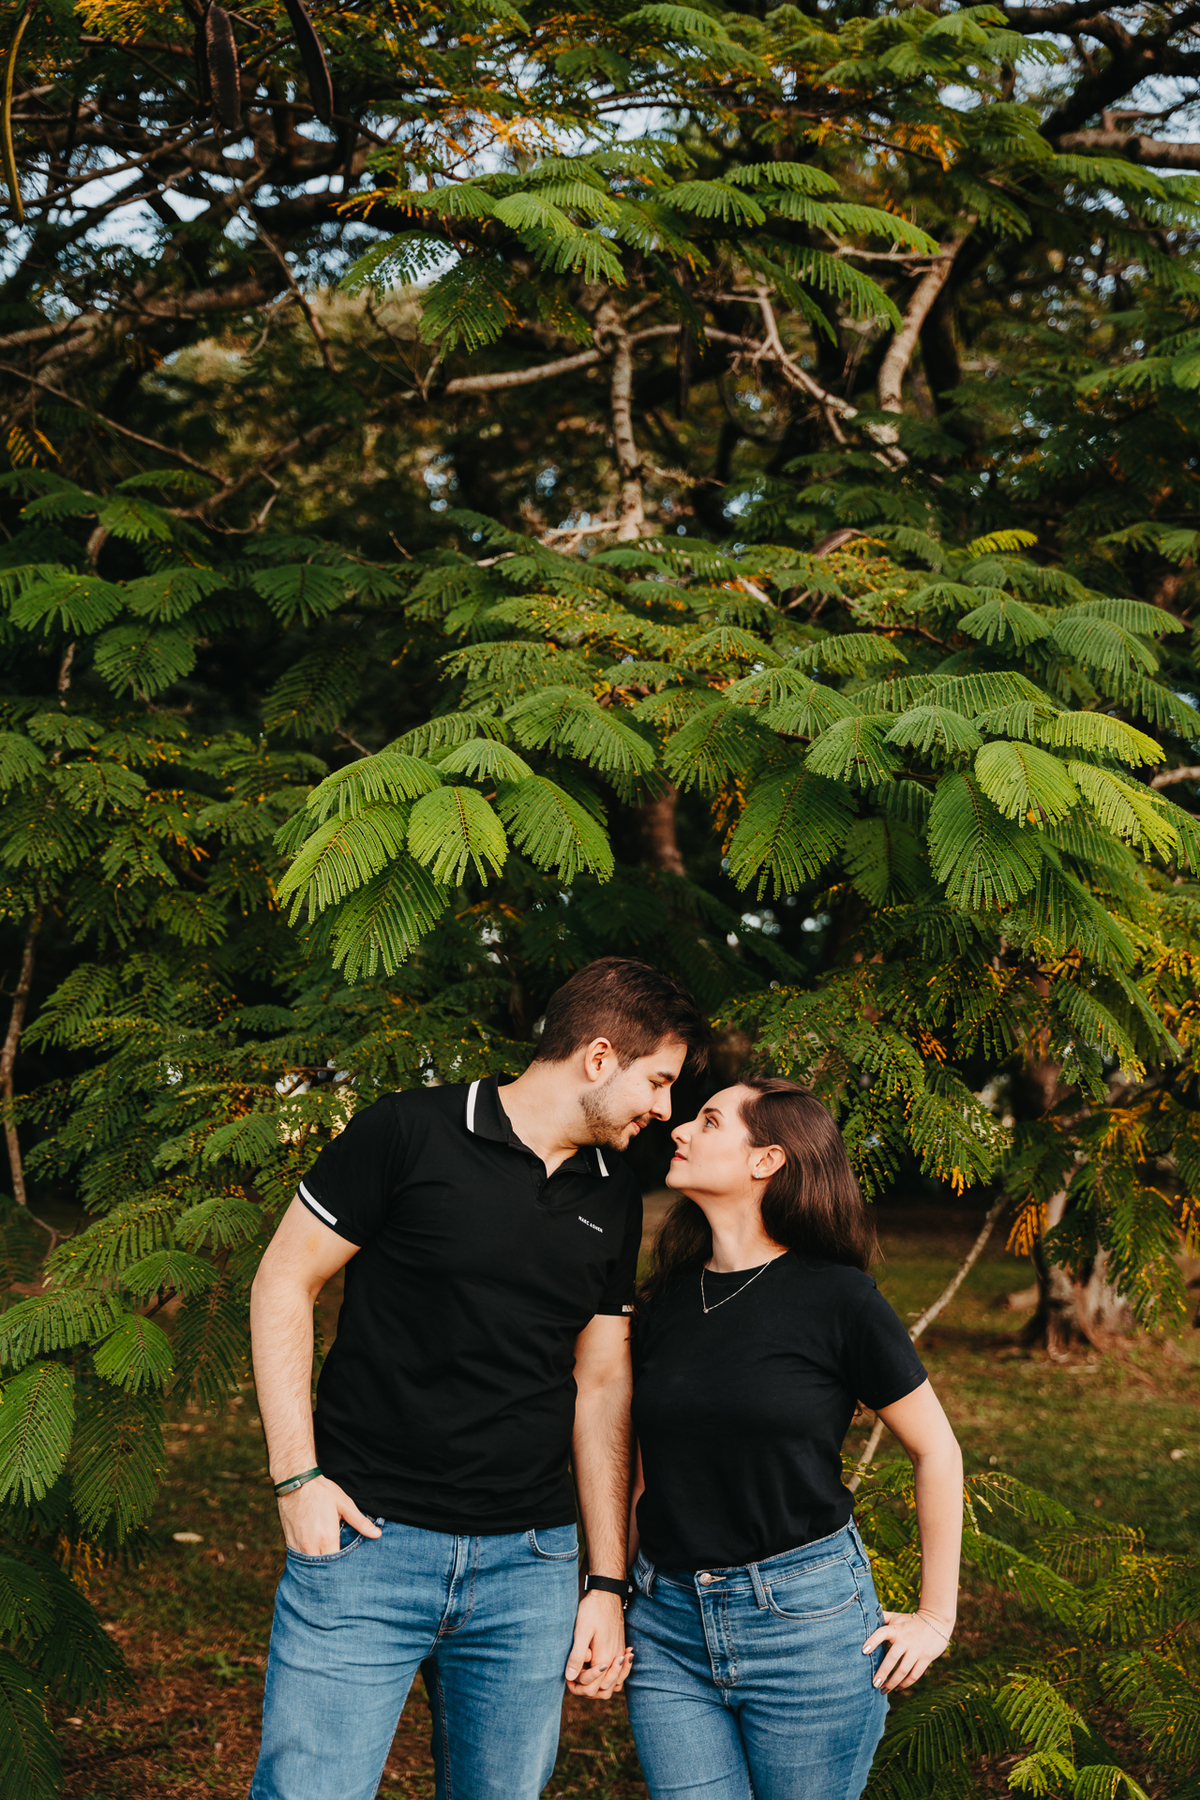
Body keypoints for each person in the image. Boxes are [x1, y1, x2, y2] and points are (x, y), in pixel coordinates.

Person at [247, 956, 709, 1800]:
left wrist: (606, 1580)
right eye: (659, 1081)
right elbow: (284, 1279)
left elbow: (603, 1381)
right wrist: (296, 1480)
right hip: (367, 1542)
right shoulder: (408, 1130)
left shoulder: (613, 1190)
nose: (664, 1110)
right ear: (598, 1058)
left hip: (528, 1566)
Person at [620, 1076, 963, 1800]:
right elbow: (648, 1469)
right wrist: (612, 1593)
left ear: (766, 1160)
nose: (680, 1128)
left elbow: (936, 1449)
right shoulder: (665, 1300)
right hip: (667, 1626)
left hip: (805, 1626)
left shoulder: (840, 1299)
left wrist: (936, 1617)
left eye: (709, 1121)